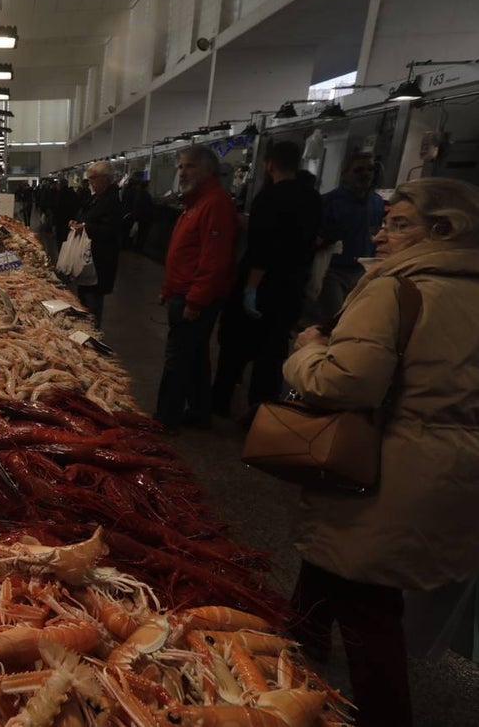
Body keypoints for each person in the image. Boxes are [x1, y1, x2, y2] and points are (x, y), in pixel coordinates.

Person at [283, 178, 479, 727]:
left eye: (398, 223)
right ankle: (294, 658)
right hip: (452, 463)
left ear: (443, 230)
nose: (380, 232)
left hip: (387, 464)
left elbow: (345, 383)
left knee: (370, 609)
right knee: (330, 563)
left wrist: (306, 352)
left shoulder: (395, 288)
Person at [212, 141, 322, 418]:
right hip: (292, 284)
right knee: (272, 351)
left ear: (270, 164)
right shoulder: (313, 197)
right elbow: (310, 238)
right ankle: (261, 413)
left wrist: (250, 288)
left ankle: (221, 401)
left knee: (235, 345)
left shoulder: (269, 197)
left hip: (263, 284)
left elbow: (263, 248)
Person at [154, 145, 238, 432]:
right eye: (180, 167)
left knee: (177, 358)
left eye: (189, 166)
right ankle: (201, 411)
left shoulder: (215, 204)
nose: (182, 172)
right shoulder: (195, 203)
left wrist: (195, 300)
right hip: (182, 291)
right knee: (196, 356)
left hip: (194, 296)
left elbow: (215, 259)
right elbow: (183, 253)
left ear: (208, 170)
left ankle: (165, 418)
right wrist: (167, 289)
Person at [313, 152, 385, 322]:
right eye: (358, 170)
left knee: (355, 320)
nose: (366, 174)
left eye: (370, 169)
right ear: (345, 174)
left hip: (363, 270)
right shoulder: (329, 202)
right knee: (335, 321)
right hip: (333, 271)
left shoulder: (377, 202)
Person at [69, 161, 122, 327]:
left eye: (93, 178)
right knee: (84, 299)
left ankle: (93, 336)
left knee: (93, 304)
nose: (90, 182)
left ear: (105, 179)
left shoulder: (112, 201)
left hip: (99, 262)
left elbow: (111, 230)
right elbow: (85, 216)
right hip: (87, 259)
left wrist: (86, 227)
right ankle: (86, 329)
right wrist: (76, 223)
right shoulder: (95, 198)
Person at [121, 171, 154, 252]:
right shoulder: (138, 192)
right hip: (134, 215)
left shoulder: (126, 189)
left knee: (126, 232)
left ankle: (125, 247)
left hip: (126, 213)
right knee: (138, 234)